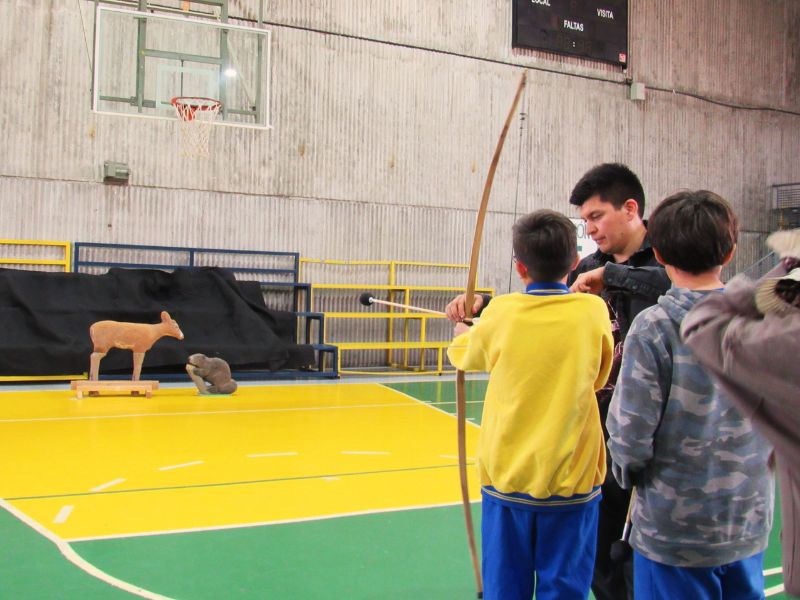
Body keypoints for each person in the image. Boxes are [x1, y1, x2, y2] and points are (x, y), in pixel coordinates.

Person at [445, 163, 670, 600]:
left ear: (630, 209)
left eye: (596, 216)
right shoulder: (586, 281)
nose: (591, 228)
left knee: (637, 559)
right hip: (585, 446)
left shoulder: (664, 257)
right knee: (590, 566)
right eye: (584, 221)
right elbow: (542, 313)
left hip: (644, 434)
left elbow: (676, 284)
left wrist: (610, 277)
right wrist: (482, 304)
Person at [606, 190, 774, 600]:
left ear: (659, 254)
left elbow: (630, 435)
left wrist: (626, 472)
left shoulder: (655, 327)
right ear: (730, 251)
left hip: (673, 533)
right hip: (747, 522)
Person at [447, 209, 614, 600]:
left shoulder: (500, 312)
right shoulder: (593, 311)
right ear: (575, 262)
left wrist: (461, 331)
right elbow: (600, 376)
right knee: (566, 587)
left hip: (509, 478)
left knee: (506, 586)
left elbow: (464, 354)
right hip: (573, 479)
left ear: (519, 267)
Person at [682, 227, 800, 597]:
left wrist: (779, 279)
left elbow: (703, 324)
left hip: (681, 525)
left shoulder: (785, 341)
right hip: (748, 516)